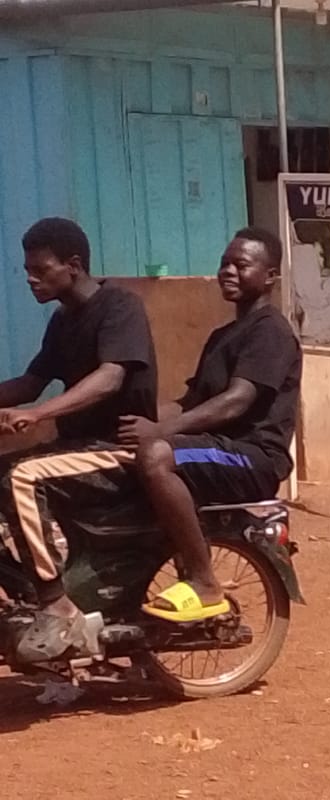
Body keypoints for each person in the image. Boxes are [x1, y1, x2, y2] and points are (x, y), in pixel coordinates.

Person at [116, 226, 302, 624]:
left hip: (253, 457)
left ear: (270, 276)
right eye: (224, 264)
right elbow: (190, 403)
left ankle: (204, 582)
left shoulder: (270, 331)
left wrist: (160, 434)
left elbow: (237, 400)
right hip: (215, 448)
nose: (228, 272)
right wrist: (140, 421)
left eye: (241, 265)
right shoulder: (224, 335)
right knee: (123, 453)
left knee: (156, 455)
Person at [0, 217, 157, 659]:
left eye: (40, 269)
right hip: (74, 451)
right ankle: (24, 593)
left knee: (20, 477)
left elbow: (109, 379)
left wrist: (38, 415)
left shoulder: (119, 307)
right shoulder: (62, 321)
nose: (30, 278)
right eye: (27, 269)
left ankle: (58, 606)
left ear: (73, 265)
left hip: (115, 450)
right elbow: (31, 382)